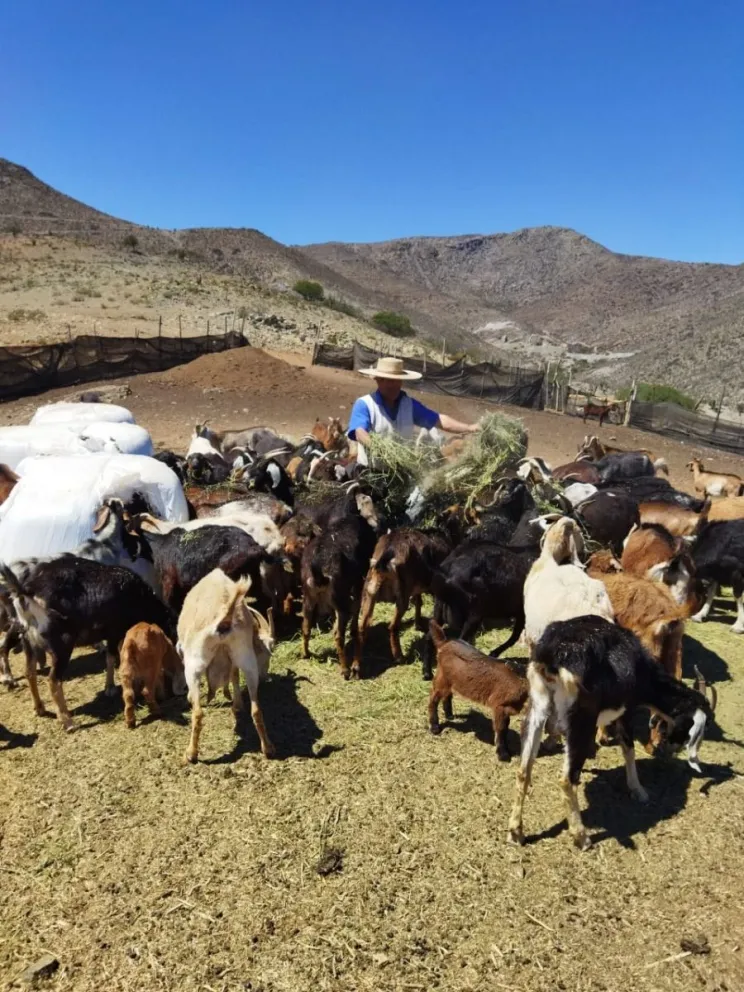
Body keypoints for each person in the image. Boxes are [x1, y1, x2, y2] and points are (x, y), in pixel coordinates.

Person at [347, 356, 479, 466]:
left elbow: (439, 420)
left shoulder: (409, 405)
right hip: (370, 472)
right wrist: (379, 448)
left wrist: (469, 428)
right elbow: (360, 432)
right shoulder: (365, 404)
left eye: (397, 381)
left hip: (401, 472)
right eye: (390, 381)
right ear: (378, 381)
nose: (394, 385)